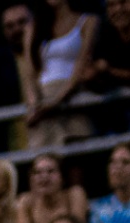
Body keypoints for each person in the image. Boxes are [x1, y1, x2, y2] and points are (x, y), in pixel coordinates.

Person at [26, 0, 100, 147]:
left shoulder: (88, 21)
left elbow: (82, 64)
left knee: (76, 150)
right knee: (45, 154)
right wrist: (35, 105)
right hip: (44, 98)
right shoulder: (33, 28)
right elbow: (30, 74)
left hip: (73, 96)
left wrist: (57, 101)